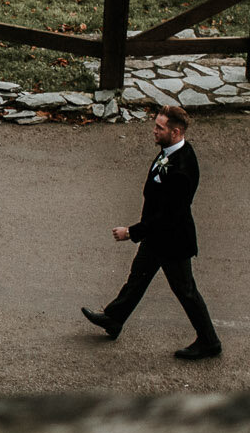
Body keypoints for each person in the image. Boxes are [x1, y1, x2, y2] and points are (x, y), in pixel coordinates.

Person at [82, 105, 224, 360]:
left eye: (160, 127)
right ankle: (114, 319)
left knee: (186, 291)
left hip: (173, 241)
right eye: (156, 125)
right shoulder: (169, 152)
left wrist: (132, 232)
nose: (154, 131)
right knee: (138, 277)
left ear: (176, 132)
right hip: (156, 237)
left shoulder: (182, 168)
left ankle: (209, 342)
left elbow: (169, 215)